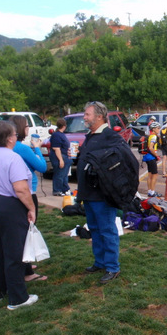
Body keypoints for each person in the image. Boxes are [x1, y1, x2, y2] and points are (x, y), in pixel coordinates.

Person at [0, 120, 38, 310]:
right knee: (14, 252)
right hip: (8, 207)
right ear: (10, 138)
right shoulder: (12, 158)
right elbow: (20, 189)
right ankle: (18, 298)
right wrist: (31, 208)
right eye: (14, 135)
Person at [77, 101, 121, 284]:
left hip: (102, 195)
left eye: (87, 114)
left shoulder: (110, 136)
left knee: (107, 230)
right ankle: (100, 261)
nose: (84, 117)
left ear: (99, 117)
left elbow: (120, 161)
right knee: (94, 229)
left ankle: (112, 267)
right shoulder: (91, 135)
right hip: (88, 193)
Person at [10, 116, 48, 283]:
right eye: (26, 126)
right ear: (20, 129)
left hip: (10, 195)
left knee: (20, 230)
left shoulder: (7, 149)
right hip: (27, 191)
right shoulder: (22, 149)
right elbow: (42, 167)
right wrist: (37, 148)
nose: (28, 129)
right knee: (28, 229)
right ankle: (27, 271)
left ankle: (25, 264)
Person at [49, 118, 72, 196]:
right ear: (64, 126)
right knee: (59, 174)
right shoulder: (56, 135)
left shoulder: (61, 134)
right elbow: (56, 148)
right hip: (59, 157)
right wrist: (61, 160)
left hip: (65, 156)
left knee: (64, 174)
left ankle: (65, 188)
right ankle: (57, 190)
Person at [143, 121, 162, 197]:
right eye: (158, 128)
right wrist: (156, 155)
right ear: (153, 129)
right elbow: (151, 148)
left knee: (150, 174)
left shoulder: (150, 136)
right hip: (151, 157)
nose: (159, 129)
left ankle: (150, 191)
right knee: (155, 175)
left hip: (147, 157)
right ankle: (153, 192)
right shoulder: (154, 137)